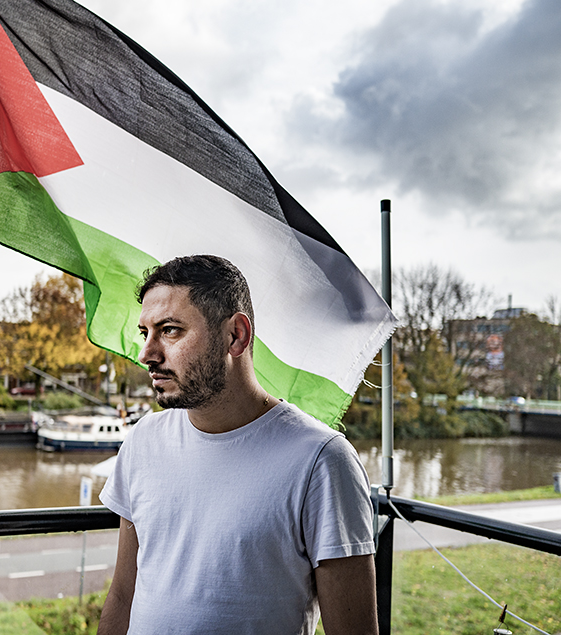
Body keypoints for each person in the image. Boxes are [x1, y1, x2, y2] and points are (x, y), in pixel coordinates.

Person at [98, 255, 377, 635]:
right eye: (145, 332)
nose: (147, 353)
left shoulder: (321, 461)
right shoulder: (143, 440)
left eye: (170, 330)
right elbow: (123, 596)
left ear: (235, 336)